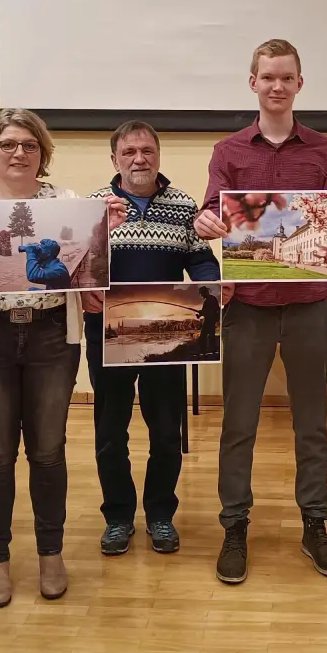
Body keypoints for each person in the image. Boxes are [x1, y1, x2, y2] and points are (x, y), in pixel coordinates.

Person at [192, 38, 327, 584]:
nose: (277, 86)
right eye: (268, 77)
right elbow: (213, 207)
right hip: (249, 307)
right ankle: (235, 525)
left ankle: (315, 523)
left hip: (309, 305)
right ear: (253, 83)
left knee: (312, 425)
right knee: (238, 425)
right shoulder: (229, 151)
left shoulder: (324, 150)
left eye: (286, 77)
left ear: (299, 84)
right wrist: (206, 222)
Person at [0, 109, 126, 606]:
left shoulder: (66, 202)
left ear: (42, 152)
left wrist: (103, 230)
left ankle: (51, 552)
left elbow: (87, 275)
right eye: (8, 144)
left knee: (48, 450)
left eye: (28, 144)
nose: (18, 153)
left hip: (51, 337)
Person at [84, 121, 220, 557]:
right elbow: (77, 268)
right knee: (110, 431)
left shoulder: (183, 206)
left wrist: (216, 286)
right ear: (114, 160)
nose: (138, 159)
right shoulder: (94, 207)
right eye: (129, 152)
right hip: (108, 333)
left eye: (146, 151)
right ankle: (118, 518)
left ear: (159, 156)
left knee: (166, 431)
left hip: (168, 338)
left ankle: (161, 514)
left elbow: (199, 261)